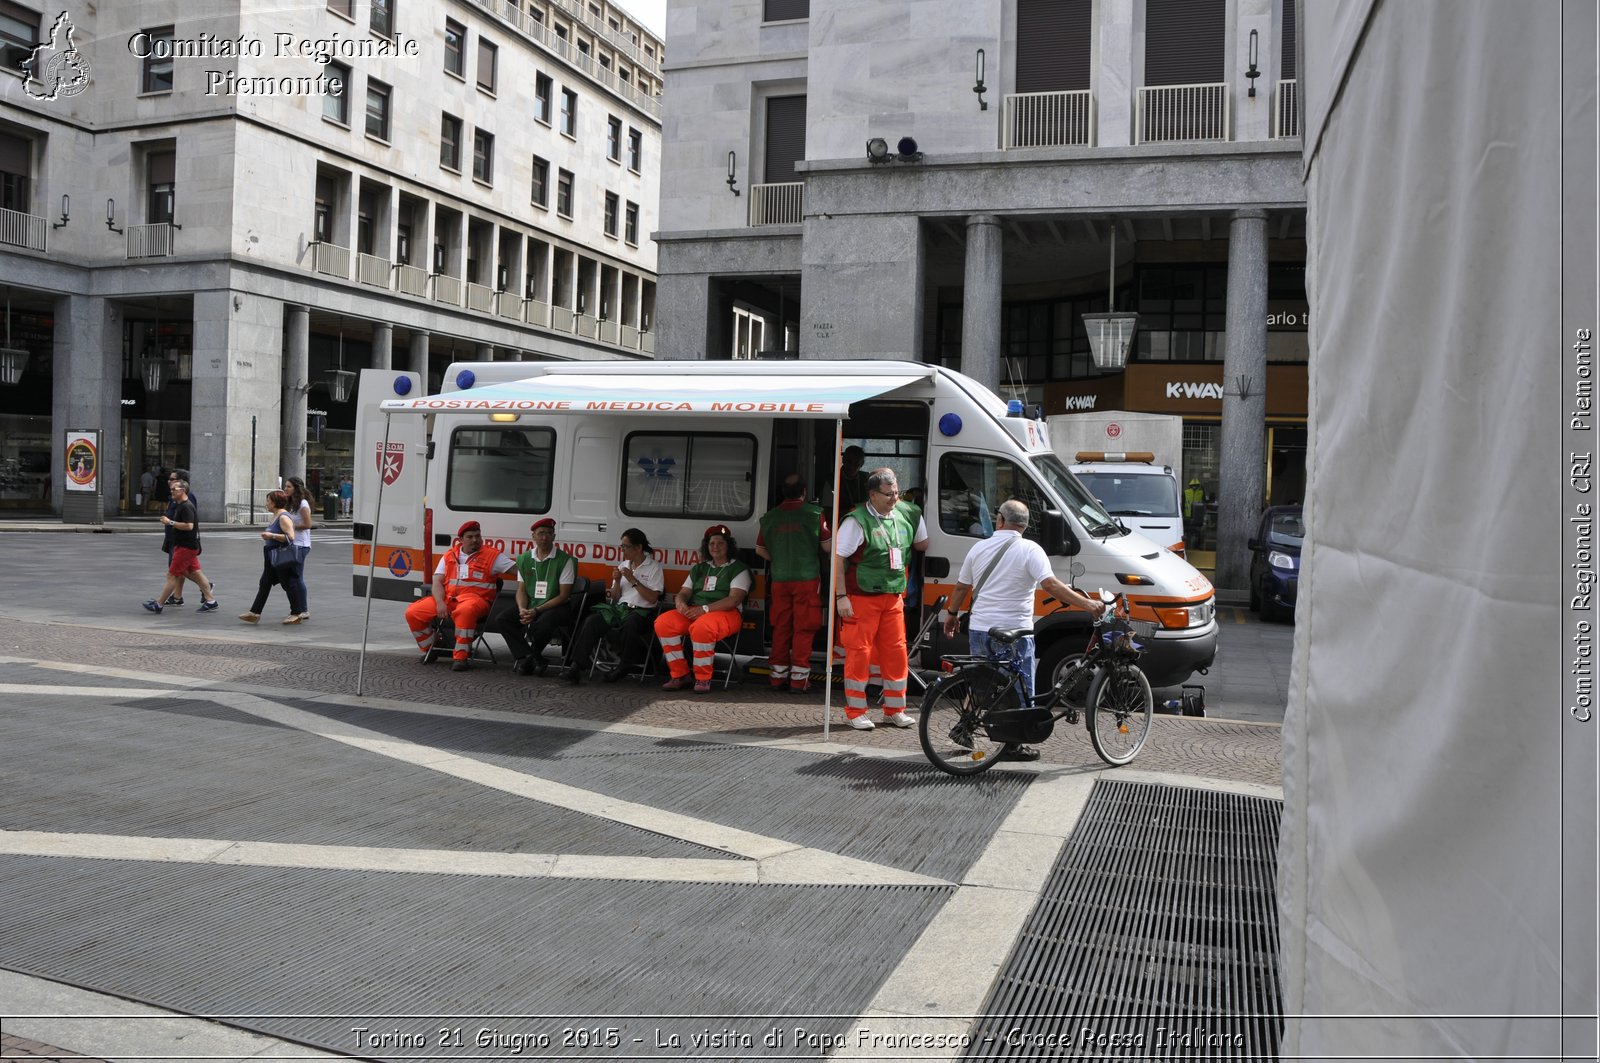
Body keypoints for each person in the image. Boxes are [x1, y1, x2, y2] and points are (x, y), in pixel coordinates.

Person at [940, 499, 1106, 761]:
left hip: (981, 629)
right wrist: (1086, 603)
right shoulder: (1030, 549)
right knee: (1020, 688)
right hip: (1014, 632)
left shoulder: (979, 548)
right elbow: (1050, 584)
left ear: (1000, 520)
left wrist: (952, 615)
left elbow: (961, 587)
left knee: (983, 680)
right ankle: (1013, 745)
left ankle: (965, 726)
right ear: (1025, 526)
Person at [833, 467, 929, 729]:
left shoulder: (904, 513)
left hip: (893, 596)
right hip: (861, 597)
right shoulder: (856, 520)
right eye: (888, 495)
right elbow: (838, 559)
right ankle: (855, 711)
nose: (894, 499)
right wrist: (841, 596)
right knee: (859, 654)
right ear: (872, 494)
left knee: (896, 652)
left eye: (896, 493)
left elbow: (922, 543)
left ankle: (895, 709)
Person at [405, 520, 515, 672]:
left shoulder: (492, 556)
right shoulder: (450, 555)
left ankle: (461, 657)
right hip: (448, 600)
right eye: (470, 537)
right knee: (413, 612)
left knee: (466, 611)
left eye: (477, 536)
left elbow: (518, 571)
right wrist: (439, 603)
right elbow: (437, 582)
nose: (475, 540)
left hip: (476, 601)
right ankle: (433, 647)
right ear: (461, 540)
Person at [654, 524, 751, 694]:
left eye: (720, 543)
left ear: (729, 546)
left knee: (702, 627)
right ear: (707, 546)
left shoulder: (738, 569)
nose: (716, 547)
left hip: (726, 614)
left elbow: (734, 599)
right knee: (663, 622)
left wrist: (705, 609)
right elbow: (683, 592)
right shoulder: (699, 568)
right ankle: (680, 675)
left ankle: (703, 679)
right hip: (696, 611)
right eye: (712, 543)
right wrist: (680, 603)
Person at [756, 474, 830, 694]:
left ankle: (777, 678)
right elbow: (827, 547)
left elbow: (760, 549)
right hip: (806, 580)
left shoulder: (769, 517)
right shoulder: (815, 514)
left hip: (779, 580)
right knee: (804, 628)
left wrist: (778, 558)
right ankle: (799, 680)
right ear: (804, 492)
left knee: (781, 627)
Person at [565, 528, 664, 684]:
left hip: (642, 611)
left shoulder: (654, 567)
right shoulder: (623, 564)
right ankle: (576, 666)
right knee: (592, 621)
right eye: (622, 546)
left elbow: (652, 598)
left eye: (626, 546)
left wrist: (633, 580)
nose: (622, 550)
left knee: (630, 624)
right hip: (621, 608)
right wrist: (617, 582)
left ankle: (623, 667)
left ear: (638, 548)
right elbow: (616, 597)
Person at [491, 517, 577, 677]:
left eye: (549, 533)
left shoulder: (565, 560)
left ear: (554, 537)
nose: (544, 537)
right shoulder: (524, 559)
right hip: (531, 604)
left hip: (556, 606)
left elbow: (564, 596)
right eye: (541, 533)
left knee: (543, 623)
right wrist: (523, 608)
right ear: (534, 536)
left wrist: (536, 610)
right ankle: (531, 657)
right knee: (502, 619)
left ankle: (529, 659)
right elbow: (521, 590)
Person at [143, 479, 218, 614]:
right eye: (171, 489)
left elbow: (189, 526)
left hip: (185, 547)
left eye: (174, 489)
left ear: (183, 490)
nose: (171, 491)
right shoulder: (180, 505)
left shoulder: (186, 506)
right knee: (195, 573)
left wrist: (170, 522)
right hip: (186, 546)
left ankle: (159, 604)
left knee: (172, 575)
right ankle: (211, 601)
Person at [239, 490, 308, 624]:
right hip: (271, 554)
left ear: (275, 502)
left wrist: (272, 536)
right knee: (264, 583)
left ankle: (297, 613)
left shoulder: (283, 517)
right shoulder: (275, 515)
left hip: (280, 555)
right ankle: (255, 612)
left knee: (288, 584)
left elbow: (291, 538)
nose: (266, 504)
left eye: (268, 501)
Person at [160, 469, 201, 606]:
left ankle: (206, 587)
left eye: (172, 479)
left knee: (176, 571)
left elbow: (190, 521)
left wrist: (170, 522)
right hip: (174, 538)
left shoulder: (188, 497)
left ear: (180, 482)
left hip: (184, 541)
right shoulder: (174, 497)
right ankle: (177, 596)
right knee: (182, 570)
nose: (169, 481)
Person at [284, 476, 315, 617]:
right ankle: (298, 607)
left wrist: (292, 526)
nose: (286, 489)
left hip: (301, 544)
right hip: (291, 543)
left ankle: (303, 609)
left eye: (289, 486)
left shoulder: (303, 504)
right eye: (285, 486)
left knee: (297, 577)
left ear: (296, 488)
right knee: (292, 577)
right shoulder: (290, 503)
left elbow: (308, 524)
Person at [835, 445, 870, 513]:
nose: (852, 466)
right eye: (849, 462)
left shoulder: (867, 478)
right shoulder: (832, 480)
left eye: (856, 463)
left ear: (862, 464)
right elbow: (827, 512)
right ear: (843, 460)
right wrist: (852, 512)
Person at [1183, 475, 1206, 549]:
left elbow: (1204, 503)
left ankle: (1195, 547)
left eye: (1196, 486)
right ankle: (1187, 547)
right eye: (1193, 485)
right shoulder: (1185, 492)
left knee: (1197, 533)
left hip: (1197, 517)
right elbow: (1183, 504)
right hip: (1187, 516)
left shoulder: (1201, 492)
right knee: (1187, 533)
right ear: (1190, 485)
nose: (1194, 487)